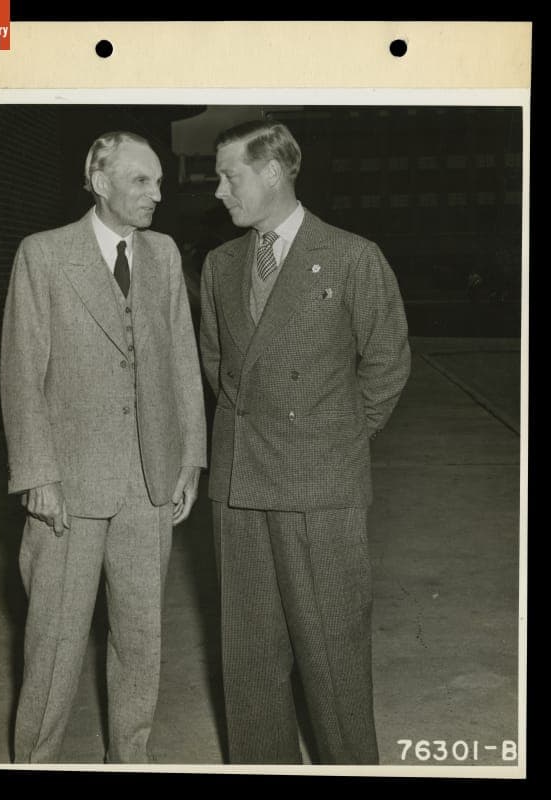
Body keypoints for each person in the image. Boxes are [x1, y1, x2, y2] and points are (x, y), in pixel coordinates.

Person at [200, 120, 411, 764]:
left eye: (229, 176)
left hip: (319, 486)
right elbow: (218, 364)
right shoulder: (220, 264)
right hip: (239, 487)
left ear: (272, 173)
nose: (218, 191)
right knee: (249, 659)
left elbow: (387, 364)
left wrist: (332, 439)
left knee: (332, 656)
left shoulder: (352, 256)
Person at [1, 130, 207, 764]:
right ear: (99, 182)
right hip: (70, 485)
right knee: (55, 644)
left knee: (141, 640)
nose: (156, 193)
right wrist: (37, 474)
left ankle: (130, 758)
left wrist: (190, 458)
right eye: (142, 180)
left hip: (150, 483)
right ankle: (34, 760)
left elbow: (181, 360)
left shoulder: (163, 254)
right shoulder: (44, 254)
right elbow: (20, 372)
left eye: (159, 182)